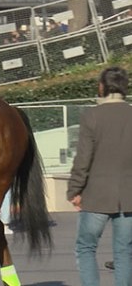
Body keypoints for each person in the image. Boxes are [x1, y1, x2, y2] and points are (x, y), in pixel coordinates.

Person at [67, 66, 132, 286]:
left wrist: (75, 190)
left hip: (96, 195)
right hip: (129, 197)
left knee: (86, 247)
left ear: (101, 87)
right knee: (124, 251)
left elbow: (83, 158)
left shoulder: (91, 116)